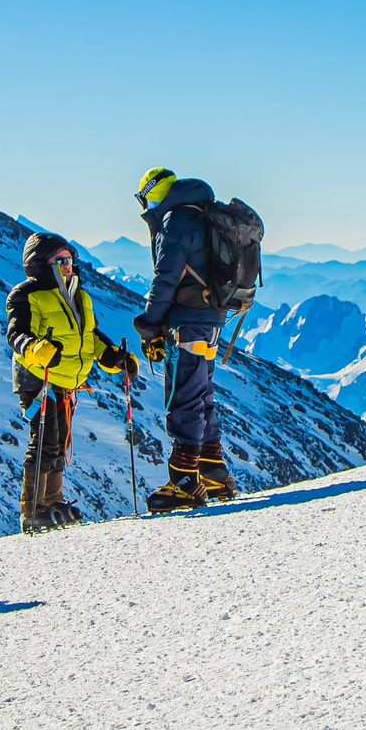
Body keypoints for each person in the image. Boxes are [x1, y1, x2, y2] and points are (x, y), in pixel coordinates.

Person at [6, 232, 141, 532]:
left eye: (69, 259)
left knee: (59, 439)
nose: (67, 265)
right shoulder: (25, 294)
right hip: (37, 378)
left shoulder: (79, 295)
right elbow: (16, 334)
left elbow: (89, 337)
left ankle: (52, 501)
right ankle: (33, 510)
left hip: (64, 380)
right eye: (60, 260)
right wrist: (35, 349)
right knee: (45, 439)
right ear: (41, 262)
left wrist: (115, 358)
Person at [130, 167, 238, 511]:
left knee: (184, 396)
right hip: (213, 318)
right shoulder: (203, 213)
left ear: (153, 193)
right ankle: (214, 472)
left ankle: (185, 482)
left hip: (187, 321)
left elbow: (165, 279)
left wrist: (149, 325)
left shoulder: (175, 220)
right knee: (201, 392)